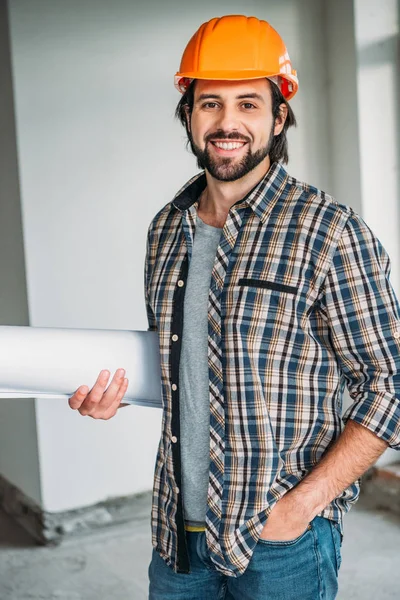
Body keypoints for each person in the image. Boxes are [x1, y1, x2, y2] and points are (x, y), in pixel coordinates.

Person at [68, 14, 400, 600]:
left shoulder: (328, 232)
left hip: (281, 542)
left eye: (248, 104)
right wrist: (111, 393)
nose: (227, 123)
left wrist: (304, 505)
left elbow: (389, 382)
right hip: (178, 537)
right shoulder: (166, 230)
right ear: (188, 116)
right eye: (209, 103)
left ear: (279, 116)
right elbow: (188, 368)